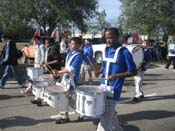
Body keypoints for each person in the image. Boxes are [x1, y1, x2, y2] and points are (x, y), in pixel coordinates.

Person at [95, 27, 137, 131]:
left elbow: (133, 71)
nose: (108, 40)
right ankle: (118, 129)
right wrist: (99, 71)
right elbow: (105, 65)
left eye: (111, 38)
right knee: (108, 112)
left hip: (114, 89)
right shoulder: (107, 49)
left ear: (118, 37)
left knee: (105, 117)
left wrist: (117, 76)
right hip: (103, 86)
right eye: (106, 38)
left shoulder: (124, 52)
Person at [52, 37, 82, 123]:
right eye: (70, 43)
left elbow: (71, 69)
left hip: (72, 80)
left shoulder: (78, 55)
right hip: (65, 79)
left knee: (65, 98)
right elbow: (67, 67)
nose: (70, 45)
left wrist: (58, 72)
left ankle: (69, 115)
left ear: (78, 45)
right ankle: (78, 112)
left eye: (73, 44)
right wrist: (60, 72)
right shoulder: (70, 54)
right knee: (65, 98)